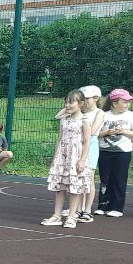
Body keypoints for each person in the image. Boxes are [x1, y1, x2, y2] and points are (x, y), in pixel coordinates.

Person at [43, 90, 91, 229]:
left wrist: (82, 160)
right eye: (66, 102)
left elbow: (87, 141)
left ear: (81, 103)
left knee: (75, 188)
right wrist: (55, 157)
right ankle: (57, 216)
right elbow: (60, 138)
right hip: (62, 156)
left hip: (76, 156)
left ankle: (71, 217)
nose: (67, 105)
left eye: (71, 102)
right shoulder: (64, 120)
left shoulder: (84, 120)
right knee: (60, 186)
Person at [94, 88, 133, 217]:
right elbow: (96, 133)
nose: (127, 104)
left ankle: (117, 207)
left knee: (119, 179)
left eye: (129, 102)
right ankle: (103, 205)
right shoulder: (104, 115)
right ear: (115, 103)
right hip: (105, 151)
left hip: (123, 153)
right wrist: (107, 132)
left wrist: (124, 131)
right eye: (124, 101)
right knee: (105, 179)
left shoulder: (131, 116)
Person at [76, 86, 105, 223]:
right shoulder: (80, 112)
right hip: (78, 144)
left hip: (91, 144)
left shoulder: (99, 113)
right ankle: (78, 208)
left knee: (89, 178)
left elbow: (93, 131)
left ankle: (87, 210)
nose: (84, 101)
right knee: (78, 178)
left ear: (96, 98)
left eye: (86, 98)